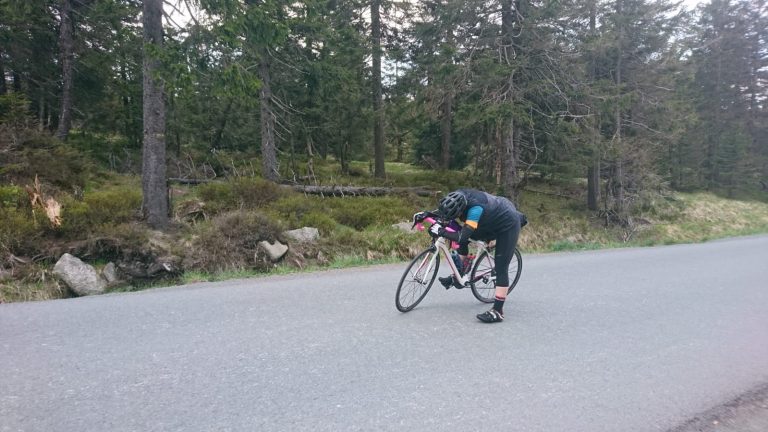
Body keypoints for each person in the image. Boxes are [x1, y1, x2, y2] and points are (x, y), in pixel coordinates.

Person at [427, 189, 526, 323]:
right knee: (463, 234)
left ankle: (498, 311)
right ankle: (460, 273)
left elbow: (462, 237)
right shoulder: (457, 197)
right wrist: (423, 215)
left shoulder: (475, 210)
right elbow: (444, 211)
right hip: (490, 217)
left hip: (507, 223)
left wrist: (441, 231)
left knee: (501, 267)